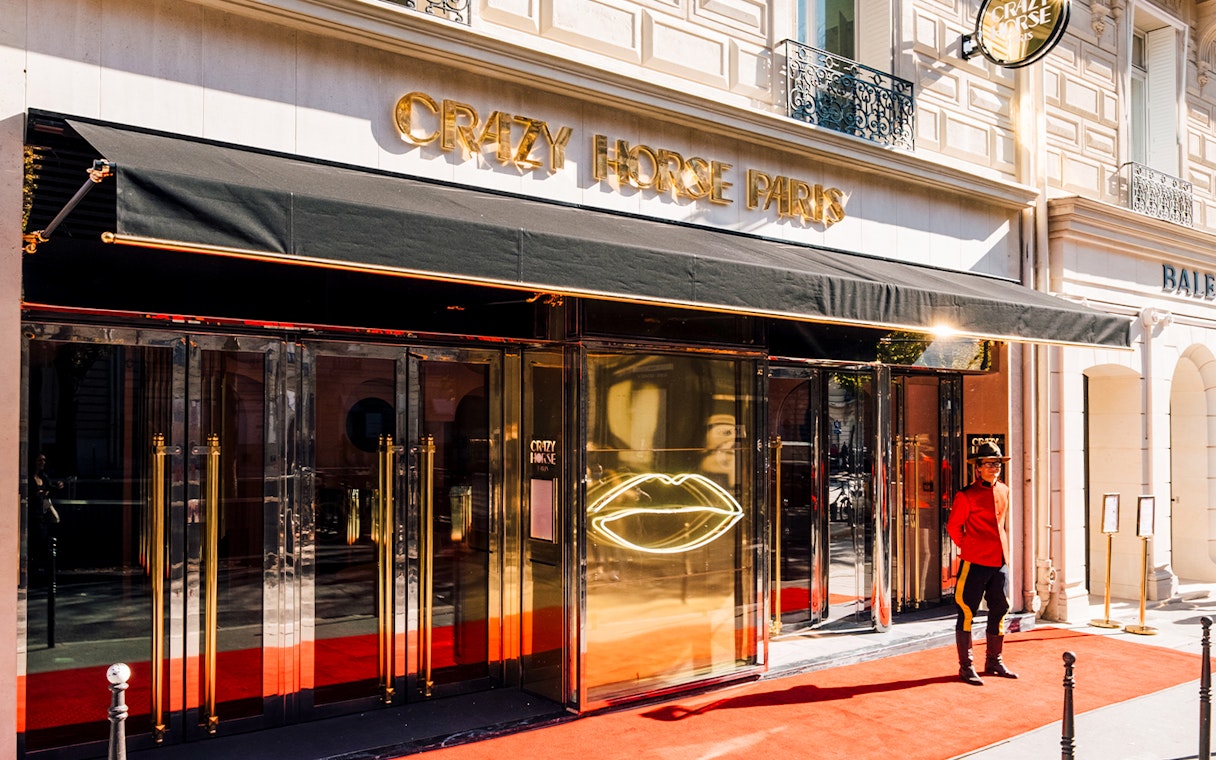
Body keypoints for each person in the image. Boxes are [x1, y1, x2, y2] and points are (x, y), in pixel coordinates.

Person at [946, 441, 1018, 685]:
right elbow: (954, 527)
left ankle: (994, 660)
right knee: (967, 610)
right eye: (989, 464)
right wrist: (969, 546)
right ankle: (966, 666)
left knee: (1000, 608)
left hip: (999, 560)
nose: (994, 468)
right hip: (975, 561)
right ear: (978, 467)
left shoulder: (1004, 490)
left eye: (997, 463)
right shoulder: (966, 495)